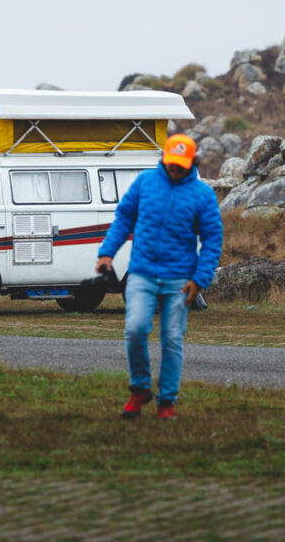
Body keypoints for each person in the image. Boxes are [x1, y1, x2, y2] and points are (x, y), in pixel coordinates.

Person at [95, 133, 223, 420]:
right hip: (142, 273)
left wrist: (201, 279)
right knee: (136, 329)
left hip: (180, 280)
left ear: (192, 162)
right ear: (164, 158)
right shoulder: (145, 183)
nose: (175, 168)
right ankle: (140, 388)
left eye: (182, 164)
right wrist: (107, 253)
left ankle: (167, 401)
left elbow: (213, 239)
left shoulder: (203, 195)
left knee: (172, 338)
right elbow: (124, 218)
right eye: (171, 163)